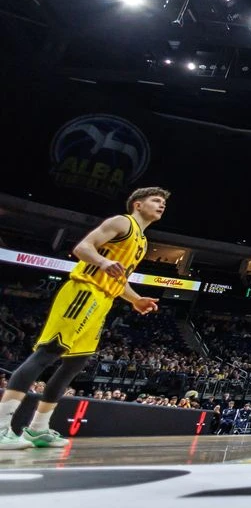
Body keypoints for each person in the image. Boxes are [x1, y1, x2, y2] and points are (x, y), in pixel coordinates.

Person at [0, 188, 165, 450]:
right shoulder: (122, 222)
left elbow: (118, 277)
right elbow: (82, 247)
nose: (162, 205)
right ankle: (1, 428)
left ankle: (38, 429)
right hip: (83, 291)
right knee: (48, 352)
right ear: (138, 204)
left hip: (103, 301)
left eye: (164, 202)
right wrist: (101, 261)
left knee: (75, 363)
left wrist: (135, 299)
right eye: (156, 200)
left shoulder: (142, 242)